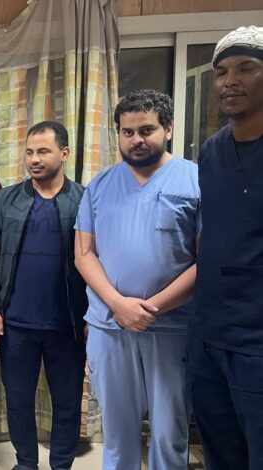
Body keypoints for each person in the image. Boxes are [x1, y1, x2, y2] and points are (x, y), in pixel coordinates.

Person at [74, 89, 199, 470]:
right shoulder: (100, 185)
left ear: (168, 129)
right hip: (110, 326)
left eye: (146, 130)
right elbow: (84, 253)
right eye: (127, 132)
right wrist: (118, 305)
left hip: (172, 327)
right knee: (117, 432)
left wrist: (150, 308)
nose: (136, 140)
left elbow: (207, 260)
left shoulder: (196, 180)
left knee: (169, 432)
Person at [0, 121, 87, 470]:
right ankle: (25, 463)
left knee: (68, 403)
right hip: (16, 325)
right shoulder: (7, 199)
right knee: (18, 401)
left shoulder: (84, 199)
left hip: (68, 325)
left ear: (64, 153)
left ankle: (61, 465)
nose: (34, 159)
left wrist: (93, 314)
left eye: (43, 151)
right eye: (29, 152)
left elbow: (100, 259)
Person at [190, 26, 263, 470]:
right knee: (220, 454)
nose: (229, 81)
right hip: (208, 336)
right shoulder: (212, 151)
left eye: (246, 68)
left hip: (257, 342)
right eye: (220, 72)